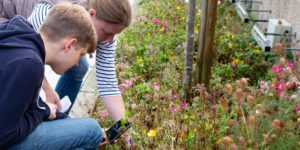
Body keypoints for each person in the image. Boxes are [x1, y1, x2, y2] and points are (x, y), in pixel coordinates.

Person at [0, 0, 132, 121]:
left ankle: (56, 117)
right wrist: (46, 90)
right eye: (107, 33)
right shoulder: (51, 16)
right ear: (91, 15)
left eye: (115, 34)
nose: (110, 40)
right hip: (6, 16)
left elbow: (108, 83)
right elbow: (26, 55)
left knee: (79, 66)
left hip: (27, 46)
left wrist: (122, 125)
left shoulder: (106, 35)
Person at [0, 2, 103, 149]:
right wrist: (43, 112)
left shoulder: (20, 39)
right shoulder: (29, 63)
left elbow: (19, 105)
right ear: (69, 45)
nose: (76, 64)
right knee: (92, 131)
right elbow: (4, 134)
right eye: (80, 55)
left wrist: (51, 113)